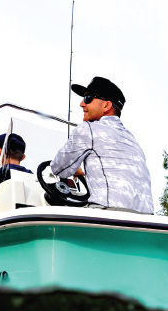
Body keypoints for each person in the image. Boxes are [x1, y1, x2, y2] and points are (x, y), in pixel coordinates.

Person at [51, 76, 153, 214]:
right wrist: (84, 172)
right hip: (147, 221)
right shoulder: (132, 141)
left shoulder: (88, 129)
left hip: (108, 217)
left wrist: (73, 169)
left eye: (88, 98)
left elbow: (59, 168)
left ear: (106, 105)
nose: (81, 104)